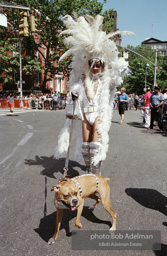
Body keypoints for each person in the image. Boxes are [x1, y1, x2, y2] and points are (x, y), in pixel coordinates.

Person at [54, 14, 133, 175]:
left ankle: (96, 174)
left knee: (96, 145)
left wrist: (120, 62)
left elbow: (120, 73)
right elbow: (73, 92)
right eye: (93, 64)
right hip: (85, 114)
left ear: (102, 65)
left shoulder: (107, 81)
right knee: (86, 145)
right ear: (88, 64)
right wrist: (74, 94)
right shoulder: (83, 80)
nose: (95, 68)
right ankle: (89, 170)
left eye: (98, 65)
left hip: (98, 114)